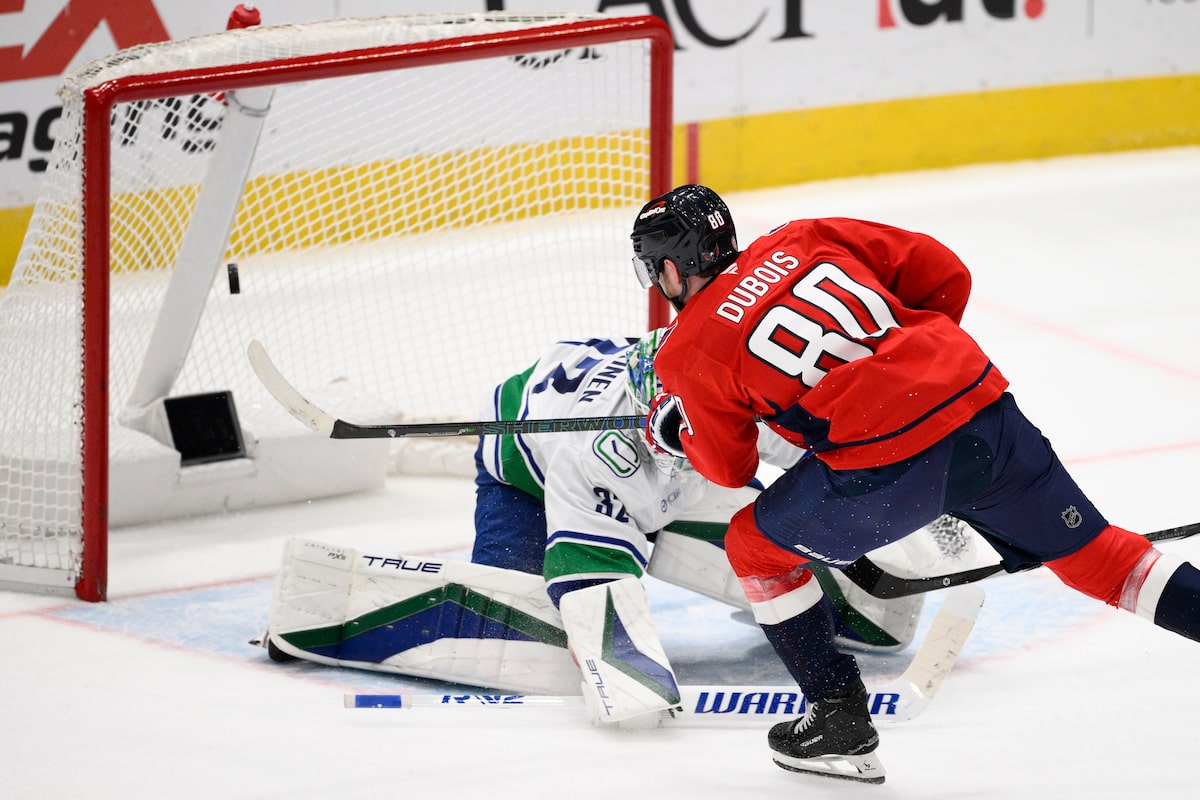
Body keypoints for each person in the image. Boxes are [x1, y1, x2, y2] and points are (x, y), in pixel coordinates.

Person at [630, 184, 1200, 782]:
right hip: (980, 410)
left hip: (890, 472)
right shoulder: (803, 237)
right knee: (1099, 558)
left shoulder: (688, 351)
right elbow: (944, 271)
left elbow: (730, 469)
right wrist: (906, 368)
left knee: (753, 547)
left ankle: (838, 722)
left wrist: (677, 430)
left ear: (671, 266)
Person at [470, 330, 954, 726]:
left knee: (763, 533)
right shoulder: (595, 455)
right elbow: (588, 578)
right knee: (513, 635)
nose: (700, 432)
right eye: (680, 428)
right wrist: (628, 675)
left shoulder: (729, 388)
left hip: (658, 469)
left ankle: (823, 595)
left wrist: (920, 491)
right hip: (525, 471)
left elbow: (820, 448)